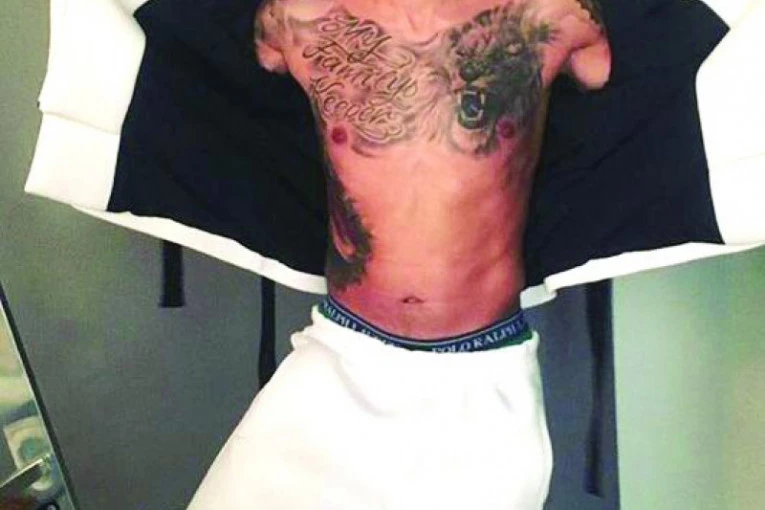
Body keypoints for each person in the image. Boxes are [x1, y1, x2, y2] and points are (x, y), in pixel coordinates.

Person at [187, 1, 610, 508]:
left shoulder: (546, 11)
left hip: (481, 375)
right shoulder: (303, 14)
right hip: (341, 354)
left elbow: (609, 71)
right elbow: (236, 57)